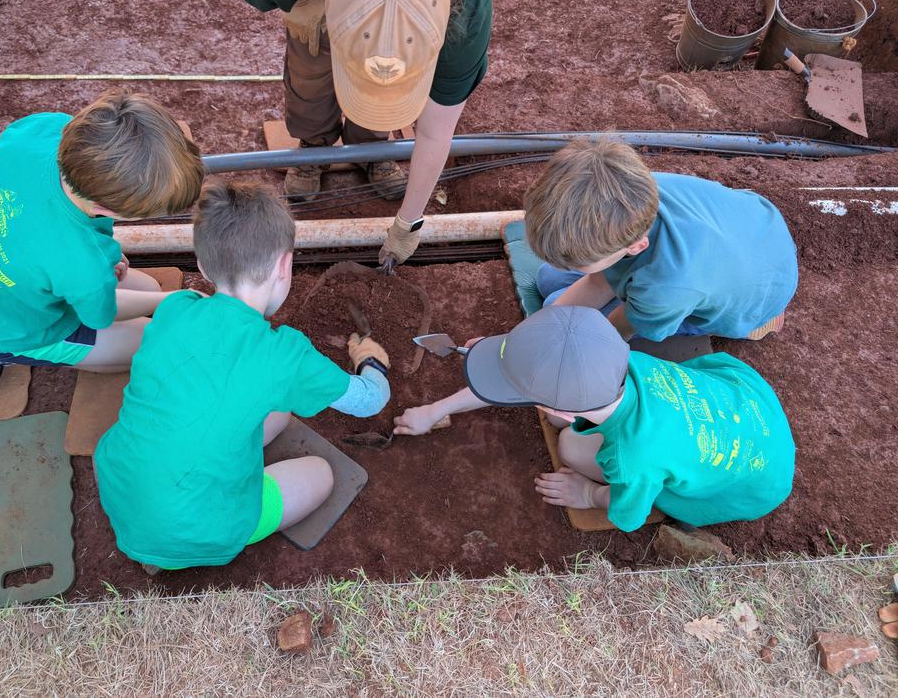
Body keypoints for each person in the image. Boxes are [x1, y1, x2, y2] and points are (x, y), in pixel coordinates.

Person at [94, 180, 392, 570]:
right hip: (198, 531)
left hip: (118, 485)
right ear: (285, 264)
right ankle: (223, 523)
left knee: (277, 413)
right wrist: (372, 361)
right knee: (321, 474)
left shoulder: (175, 309)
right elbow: (371, 401)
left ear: (202, 264)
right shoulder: (284, 355)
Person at [184, 0, 493, 267]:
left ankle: (371, 147)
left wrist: (409, 223)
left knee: (371, 94)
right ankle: (314, 144)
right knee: (310, 69)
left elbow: (436, 131)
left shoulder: (467, 7)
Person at [394, 305, 795, 532]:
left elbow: (629, 515)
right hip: (750, 407)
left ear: (559, 409)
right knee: (574, 435)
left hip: (752, 486)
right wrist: (436, 409)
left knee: (571, 444)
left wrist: (588, 495)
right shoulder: (624, 360)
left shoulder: (631, 459)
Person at [0, 90, 204, 408]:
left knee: (145, 286)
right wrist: (171, 301)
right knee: (146, 340)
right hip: (9, 327)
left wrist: (110, 269)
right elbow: (102, 315)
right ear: (105, 207)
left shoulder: (45, 130)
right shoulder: (82, 261)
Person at [523, 137, 798, 342]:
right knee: (549, 279)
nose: (566, 267)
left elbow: (618, 330)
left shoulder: (667, 287)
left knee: (557, 308)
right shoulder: (623, 188)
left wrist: (559, 337)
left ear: (635, 246)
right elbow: (598, 279)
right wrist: (536, 331)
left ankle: (762, 322)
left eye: (580, 263)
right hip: (753, 232)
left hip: (755, 298)